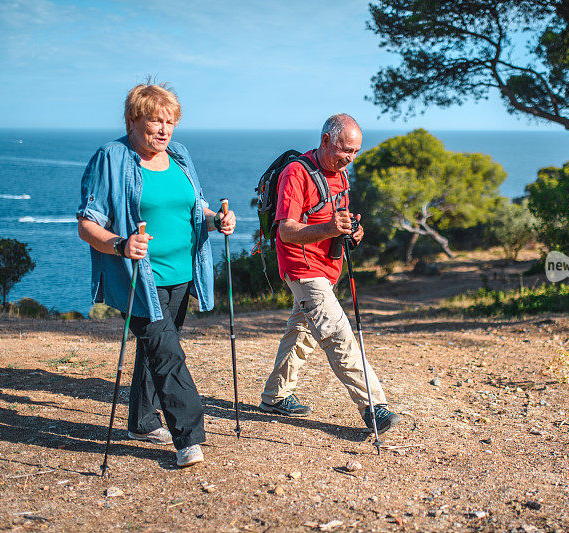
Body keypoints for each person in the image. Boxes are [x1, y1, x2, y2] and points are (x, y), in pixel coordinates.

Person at [76, 82, 235, 468]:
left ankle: (143, 422)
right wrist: (119, 244)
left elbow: (195, 209)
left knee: (156, 351)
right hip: (139, 278)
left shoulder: (179, 156)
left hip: (183, 273)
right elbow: (86, 223)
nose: (164, 130)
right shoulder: (112, 157)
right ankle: (189, 437)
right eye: (154, 121)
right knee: (168, 354)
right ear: (133, 121)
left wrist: (218, 220)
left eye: (170, 122)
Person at [259, 113, 399, 435]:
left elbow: (336, 219)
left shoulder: (340, 174)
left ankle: (275, 396)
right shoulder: (297, 173)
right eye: (344, 150)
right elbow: (287, 232)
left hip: (327, 267)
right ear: (325, 141)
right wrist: (328, 227)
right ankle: (374, 407)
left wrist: (351, 231)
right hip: (302, 268)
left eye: (355, 153)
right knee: (338, 334)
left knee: (302, 334)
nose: (349, 159)